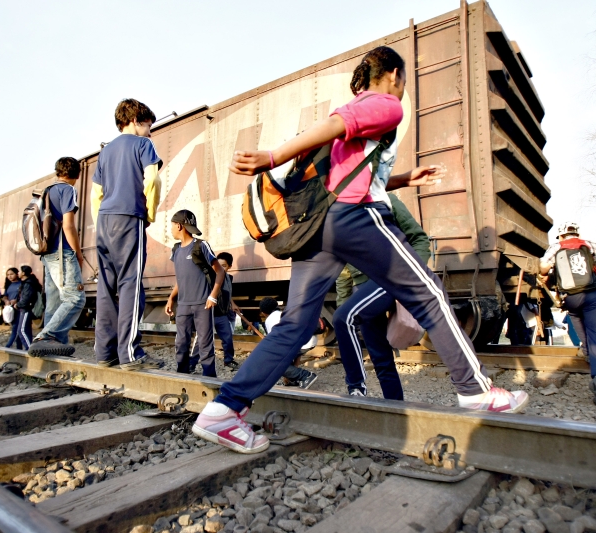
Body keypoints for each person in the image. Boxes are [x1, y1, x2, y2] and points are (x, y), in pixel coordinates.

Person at [192, 47, 528, 454]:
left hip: (320, 228)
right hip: (355, 218)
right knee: (428, 293)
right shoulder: (384, 103)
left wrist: (403, 178)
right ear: (392, 74)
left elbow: (349, 172)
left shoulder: (357, 107)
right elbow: (339, 131)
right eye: (402, 80)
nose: (402, 90)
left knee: (295, 325)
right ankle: (475, 391)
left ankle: (223, 410)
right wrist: (272, 156)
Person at [332, 192, 429, 400]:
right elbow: (344, 270)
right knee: (380, 357)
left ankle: (356, 388)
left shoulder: (386, 199)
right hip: (363, 287)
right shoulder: (340, 210)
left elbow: (419, 238)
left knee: (341, 318)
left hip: (391, 276)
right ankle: (395, 408)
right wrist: (345, 302)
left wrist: (413, 276)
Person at [91, 99, 164, 371]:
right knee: (130, 285)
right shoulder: (143, 145)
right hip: (128, 217)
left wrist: (100, 220)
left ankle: (105, 353)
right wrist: (149, 213)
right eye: (148, 126)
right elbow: (153, 179)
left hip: (104, 221)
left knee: (106, 287)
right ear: (135, 120)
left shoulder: (106, 152)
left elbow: (95, 194)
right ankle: (131, 354)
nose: (149, 132)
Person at [540, 222, 596, 407]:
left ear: (561, 236)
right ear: (576, 233)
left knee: (577, 319)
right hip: (595, 294)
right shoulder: (590, 244)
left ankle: (587, 352)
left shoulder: (556, 248)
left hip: (571, 296)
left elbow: (543, 269)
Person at [28, 157, 86, 357]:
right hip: (62, 252)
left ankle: (54, 346)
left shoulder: (46, 191)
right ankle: (45, 338)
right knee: (75, 298)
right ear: (77, 175)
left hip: (47, 253)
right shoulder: (68, 190)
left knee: (54, 301)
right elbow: (68, 226)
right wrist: (78, 253)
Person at [164, 210, 225, 378]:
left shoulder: (200, 246)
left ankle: (209, 378)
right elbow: (181, 279)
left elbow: (220, 272)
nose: (170, 229)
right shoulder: (175, 250)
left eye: (171, 225)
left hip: (202, 304)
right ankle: (182, 375)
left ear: (179, 225)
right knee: (181, 343)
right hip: (183, 305)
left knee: (205, 344)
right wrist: (171, 298)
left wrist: (212, 296)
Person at [190, 251, 241, 372]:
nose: (221, 268)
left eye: (224, 266)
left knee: (227, 338)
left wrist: (232, 304)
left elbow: (227, 293)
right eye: (219, 265)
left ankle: (228, 360)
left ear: (229, 267)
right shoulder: (210, 276)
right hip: (208, 314)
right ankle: (191, 363)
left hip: (222, 315)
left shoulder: (229, 278)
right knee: (201, 339)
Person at [259, 297, 318, 389]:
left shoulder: (270, 320)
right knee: (282, 356)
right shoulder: (284, 313)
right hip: (309, 341)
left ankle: (306, 376)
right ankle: (294, 379)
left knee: (272, 362)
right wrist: (291, 373)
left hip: (300, 343)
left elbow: (277, 345)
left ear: (263, 313)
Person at [15, 265, 41, 350]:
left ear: (23, 273)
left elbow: (26, 298)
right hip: (26, 309)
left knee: (21, 330)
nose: (18, 273)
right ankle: (27, 348)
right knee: (27, 331)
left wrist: (18, 304)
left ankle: (30, 349)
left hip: (26, 309)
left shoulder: (28, 284)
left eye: (19, 271)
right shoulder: (29, 282)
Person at [3, 268, 22, 349]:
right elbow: (4, 296)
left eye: (11, 274)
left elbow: (25, 295)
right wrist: (6, 300)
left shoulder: (21, 284)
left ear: (17, 274)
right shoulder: (9, 285)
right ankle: (19, 348)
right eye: (8, 275)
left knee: (16, 328)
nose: (9, 276)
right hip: (11, 309)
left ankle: (7, 346)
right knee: (16, 328)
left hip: (19, 309)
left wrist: (17, 300)